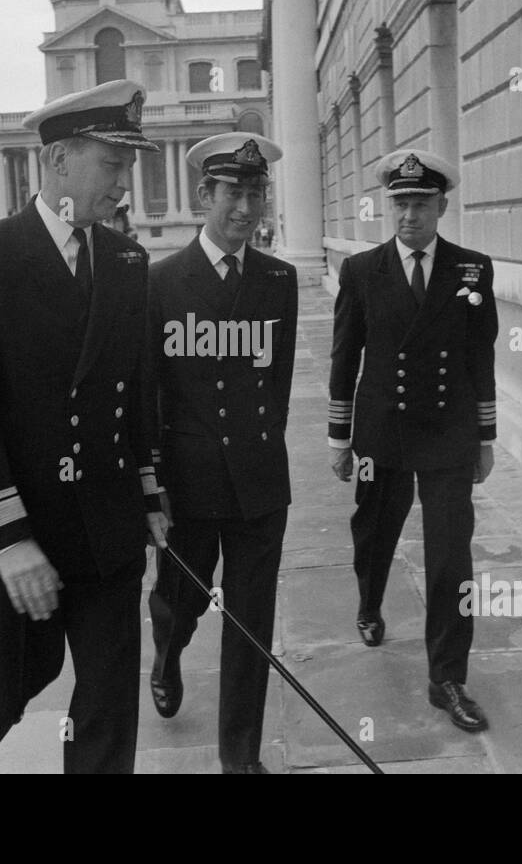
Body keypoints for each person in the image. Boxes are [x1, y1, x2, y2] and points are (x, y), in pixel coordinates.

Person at [0, 79, 170, 774]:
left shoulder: (128, 264)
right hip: (22, 530)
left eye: (129, 166)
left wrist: (150, 497)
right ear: (61, 161)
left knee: (106, 708)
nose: (125, 184)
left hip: (108, 529)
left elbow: (134, 396)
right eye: (113, 164)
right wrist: (7, 542)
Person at [327, 150, 498, 733]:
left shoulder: (472, 269)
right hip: (382, 429)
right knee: (374, 530)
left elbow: (480, 355)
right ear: (388, 206)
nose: (409, 215)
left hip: (448, 429)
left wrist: (485, 436)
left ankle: (447, 675)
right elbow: (345, 354)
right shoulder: (362, 270)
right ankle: (370, 600)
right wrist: (338, 435)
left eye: (421, 203)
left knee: (451, 552)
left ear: (442, 206)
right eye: (400, 203)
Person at [145, 133, 297, 774]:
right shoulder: (158, 283)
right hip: (190, 485)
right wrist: (151, 486)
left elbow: (277, 381)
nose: (245, 206)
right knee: (182, 601)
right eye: (232, 192)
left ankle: (241, 757)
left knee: (250, 625)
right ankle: (167, 651)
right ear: (205, 194)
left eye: (255, 192)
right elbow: (149, 394)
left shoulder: (279, 280)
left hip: (260, 483)